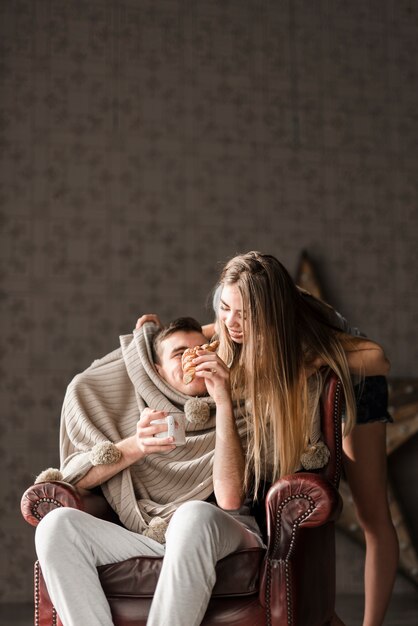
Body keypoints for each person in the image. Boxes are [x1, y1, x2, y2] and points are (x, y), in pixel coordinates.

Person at [137, 251, 398, 626]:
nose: (231, 322)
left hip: (356, 385)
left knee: (373, 514)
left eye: (244, 314)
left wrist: (311, 359)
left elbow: (379, 359)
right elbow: (211, 331)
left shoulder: (304, 332)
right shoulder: (229, 319)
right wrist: (155, 337)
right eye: (225, 307)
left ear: (270, 313)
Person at [34, 317, 263, 626]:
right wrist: (137, 446)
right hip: (152, 535)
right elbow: (77, 478)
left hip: (225, 532)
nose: (193, 357)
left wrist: (222, 400)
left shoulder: (241, 409)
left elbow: (230, 499)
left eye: (202, 349)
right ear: (156, 371)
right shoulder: (138, 415)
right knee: (56, 526)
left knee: (191, 515)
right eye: (180, 352)